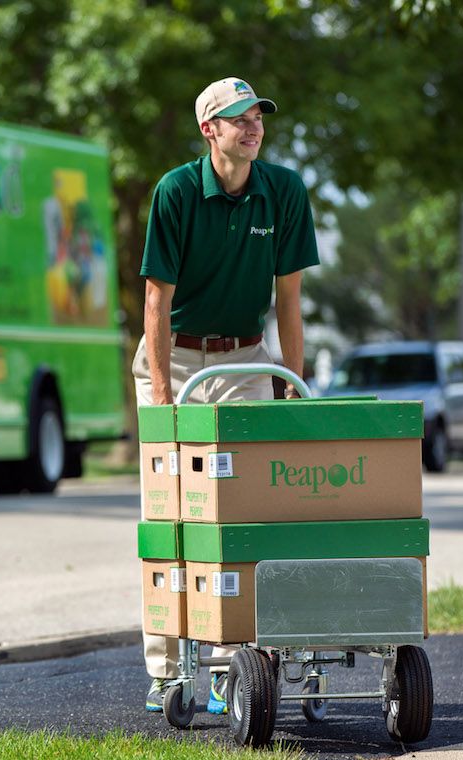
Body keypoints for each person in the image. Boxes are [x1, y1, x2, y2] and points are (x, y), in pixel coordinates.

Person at [134, 77, 320, 713]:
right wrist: (162, 399)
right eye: (239, 118)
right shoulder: (176, 191)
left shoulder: (284, 191)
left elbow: (289, 302)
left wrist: (291, 388)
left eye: (258, 116)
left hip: (244, 357)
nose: (254, 126)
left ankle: (231, 665)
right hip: (177, 355)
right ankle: (167, 673)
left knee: (244, 512)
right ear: (210, 130)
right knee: (174, 515)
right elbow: (155, 302)